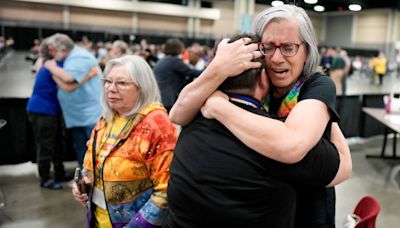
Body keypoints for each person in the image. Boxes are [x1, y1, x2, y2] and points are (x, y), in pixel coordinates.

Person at [170, 5, 350, 228]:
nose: (276, 58)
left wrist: (218, 107)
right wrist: (217, 68)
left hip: (308, 209)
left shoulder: (316, 86)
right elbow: (178, 113)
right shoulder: (251, 81)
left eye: (288, 48)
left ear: (307, 51)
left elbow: (291, 145)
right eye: (268, 47)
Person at [71, 55, 178, 227]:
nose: (111, 89)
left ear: (142, 88)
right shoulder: (108, 117)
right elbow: (93, 162)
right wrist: (83, 182)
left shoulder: (156, 125)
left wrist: (137, 224)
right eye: (108, 81)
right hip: (99, 219)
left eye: (122, 83)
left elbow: (166, 190)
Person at [27, 38, 98, 189]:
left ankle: (59, 173)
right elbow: (67, 85)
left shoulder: (56, 64)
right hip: (43, 110)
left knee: (58, 144)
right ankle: (45, 178)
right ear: (52, 50)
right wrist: (89, 76)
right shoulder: (51, 65)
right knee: (45, 145)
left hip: (52, 110)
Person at [45, 33, 103, 169]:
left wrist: (51, 67)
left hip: (90, 115)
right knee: (81, 150)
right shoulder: (70, 58)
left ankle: (97, 182)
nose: (51, 53)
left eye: (53, 50)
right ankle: (84, 179)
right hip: (78, 115)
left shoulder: (80, 56)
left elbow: (68, 80)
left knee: (94, 151)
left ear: (63, 49)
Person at [153, 38, 202, 112]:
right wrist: (209, 69)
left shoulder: (164, 60)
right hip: (167, 99)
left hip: (160, 97)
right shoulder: (174, 61)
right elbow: (192, 73)